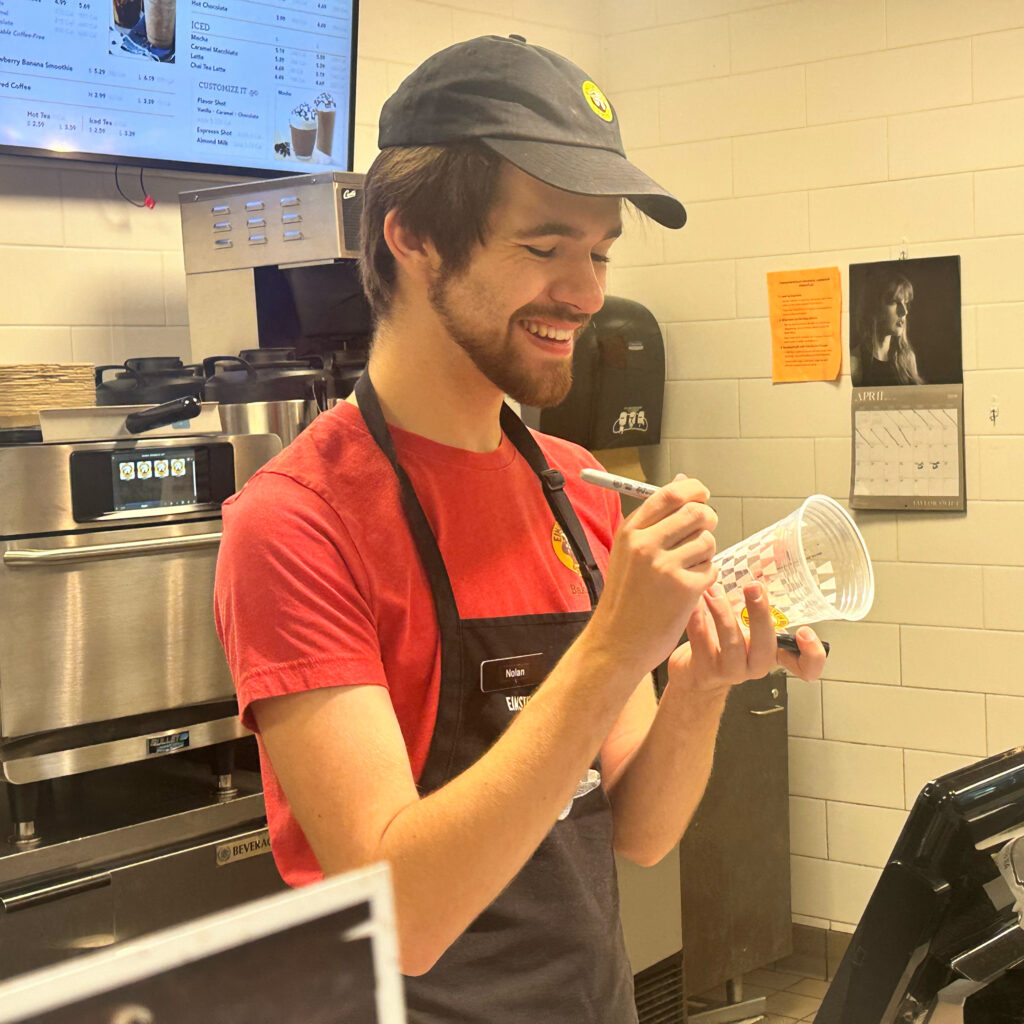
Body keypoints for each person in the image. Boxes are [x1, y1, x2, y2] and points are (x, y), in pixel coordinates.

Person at [214, 34, 827, 1023]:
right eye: (545, 247)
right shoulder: (296, 527)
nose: (585, 293)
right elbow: (399, 914)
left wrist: (702, 683)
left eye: (598, 253)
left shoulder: (575, 487)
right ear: (412, 238)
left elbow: (638, 829)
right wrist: (614, 647)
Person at [850, 267, 924, 386]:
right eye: (894, 302)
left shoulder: (908, 360)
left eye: (905, 303)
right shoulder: (854, 363)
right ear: (874, 308)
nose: (904, 312)